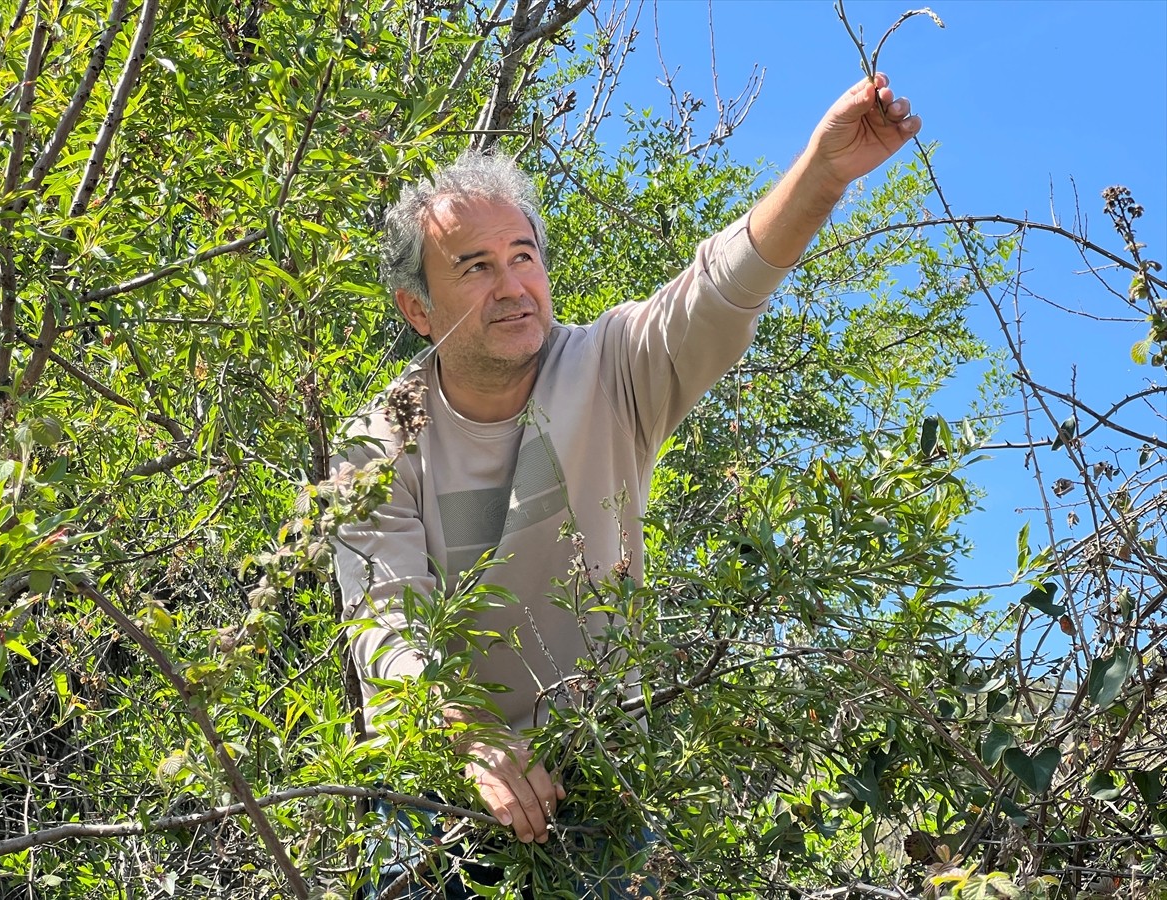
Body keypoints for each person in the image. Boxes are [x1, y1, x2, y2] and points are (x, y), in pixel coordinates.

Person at [334, 73, 921, 895]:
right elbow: (383, 617)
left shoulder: (608, 368)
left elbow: (719, 288)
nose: (511, 285)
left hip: (596, 771)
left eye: (523, 256)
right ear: (418, 309)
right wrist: (469, 742)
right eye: (473, 267)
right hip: (434, 778)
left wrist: (823, 174)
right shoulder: (380, 437)